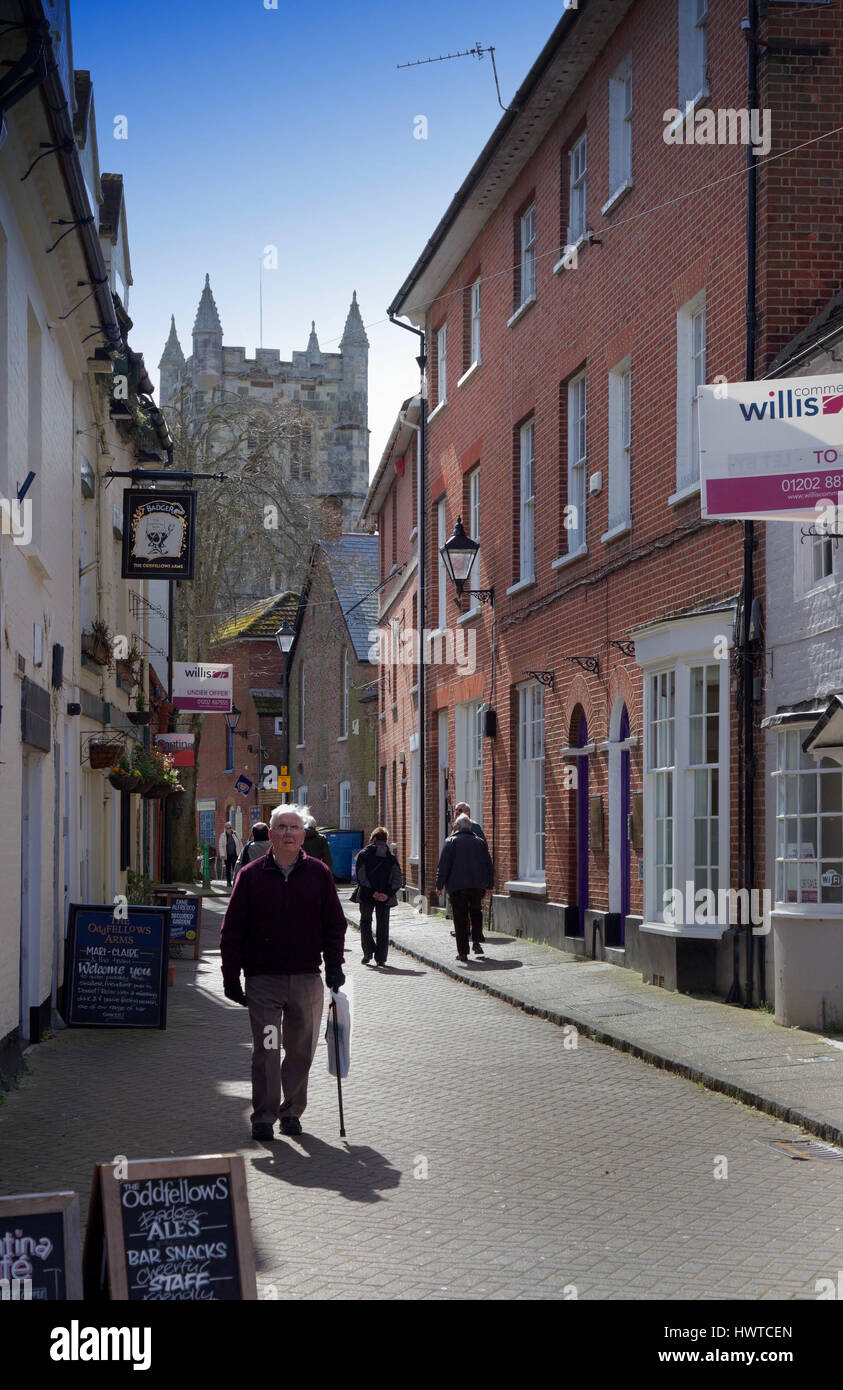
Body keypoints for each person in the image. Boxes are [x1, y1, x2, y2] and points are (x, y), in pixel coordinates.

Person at [220, 804, 347, 1141]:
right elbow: (231, 929)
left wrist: (334, 964)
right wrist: (231, 976)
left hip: (307, 980)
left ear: (303, 835)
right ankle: (263, 1115)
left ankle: (291, 1110)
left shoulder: (319, 874)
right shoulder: (250, 876)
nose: (288, 833)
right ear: (271, 834)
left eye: (294, 827)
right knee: (268, 1047)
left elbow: (335, 925)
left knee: (300, 1051)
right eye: (282, 827)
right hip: (264, 981)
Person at [436, 813, 494, 964]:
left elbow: (444, 865)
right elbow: (488, 865)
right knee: (476, 912)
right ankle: (476, 941)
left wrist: (439, 885)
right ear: (469, 827)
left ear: (457, 827)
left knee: (460, 918)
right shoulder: (480, 842)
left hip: (457, 887)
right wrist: (490, 885)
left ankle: (463, 953)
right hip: (477, 886)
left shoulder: (450, 842)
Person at [355, 827, 402, 968]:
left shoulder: (363, 854)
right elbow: (397, 879)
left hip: (366, 895)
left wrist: (372, 892)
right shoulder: (391, 858)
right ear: (385, 840)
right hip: (385, 897)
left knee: (365, 922)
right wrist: (386, 893)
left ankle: (368, 952)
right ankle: (381, 958)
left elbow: (360, 876)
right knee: (383, 925)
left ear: (374, 839)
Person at [450, 803, 489, 940]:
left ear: (467, 811)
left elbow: (483, 851)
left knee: (473, 908)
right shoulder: (455, 827)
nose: (456, 812)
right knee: (464, 908)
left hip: (473, 875)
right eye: (455, 810)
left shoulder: (475, 827)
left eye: (459, 810)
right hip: (460, 876)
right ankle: (464, 930)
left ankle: (475, 933)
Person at [218, 822, 242, 887]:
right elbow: (220, 845)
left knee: (235, 868)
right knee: (228, 869)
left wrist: (241, 852)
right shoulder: (222, 836)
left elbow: (240, 843)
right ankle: (228, 882)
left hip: (235, 854)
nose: (229, 829)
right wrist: (222, 854)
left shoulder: (235, 834)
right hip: (227, 855)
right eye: (228, 828)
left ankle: (235, 881)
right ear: (225, 829)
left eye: (230, 828)